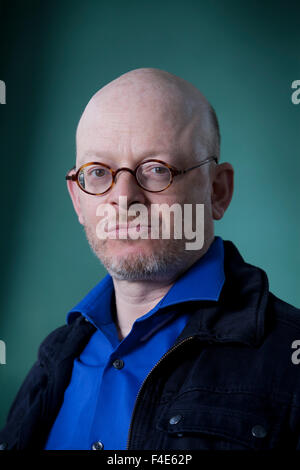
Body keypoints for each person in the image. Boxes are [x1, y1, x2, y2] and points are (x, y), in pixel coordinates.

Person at [1, 68, 300, 451]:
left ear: (218, 191)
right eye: (97, 173)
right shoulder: (53, 360)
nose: (124, 198)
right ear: (78, 200)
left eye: (157, 170)